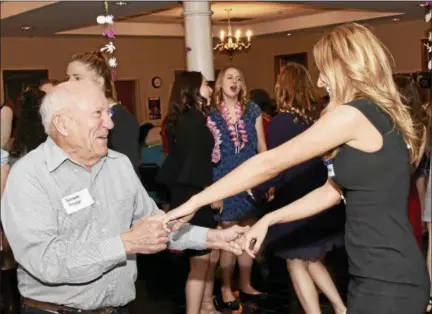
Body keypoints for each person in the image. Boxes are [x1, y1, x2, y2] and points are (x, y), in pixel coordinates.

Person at [165, 23, 430, 314]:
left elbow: (270, 162)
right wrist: (271, 219)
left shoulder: (354, 115)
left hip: (388, 278)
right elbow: (332, 192)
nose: (319, 82)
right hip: (377, 272)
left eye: (324, 69)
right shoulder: (378, 113)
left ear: (346, 66)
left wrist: (196, 201)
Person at [0, 80, 248, 314]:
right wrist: (125, 244)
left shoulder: (118, 165)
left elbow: (155, 226)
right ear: (63, 124)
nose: (109, 124)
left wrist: (214, 237)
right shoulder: (29, 176)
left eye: (107, 114)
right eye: (98, 114)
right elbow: (46, 262)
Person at [253, 63, 346, 314]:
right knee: (312, 260)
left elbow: (278, 167)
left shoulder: (280, 123)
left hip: (294, 201)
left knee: (295, 263)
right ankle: (340, 308)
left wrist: (260, 189)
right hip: (320, 197)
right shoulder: (317, 117)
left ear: (282, 88)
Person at [157, 71, 220, 314]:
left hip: (189, 192)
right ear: (193, 89)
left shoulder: (187, 118)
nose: (210, 89)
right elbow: (196, 165)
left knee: (203, 258)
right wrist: (211, 194)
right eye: (206, 85)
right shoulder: (192, 121)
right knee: (200, 260)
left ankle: (204, 307)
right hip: (194, 194)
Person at [206, 67, 267, 312]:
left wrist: (267, 179)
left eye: (239, 78)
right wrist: (214, 192)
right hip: (224, 181)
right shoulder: (210, 115)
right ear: (220, 84)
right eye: (229, 77)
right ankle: (225, 288)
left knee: (248, 235)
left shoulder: (253, 110)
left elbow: (262, 146)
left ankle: (245, 283)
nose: (235, 81)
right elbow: (206, 155)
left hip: (251, 180)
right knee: (229, 238)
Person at [67, 51, 141, 172]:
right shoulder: (85, 116)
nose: (69, 83)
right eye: (68, 77)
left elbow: (127, 172)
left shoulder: (121, 119)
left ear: (99, 82)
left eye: (77, 78)